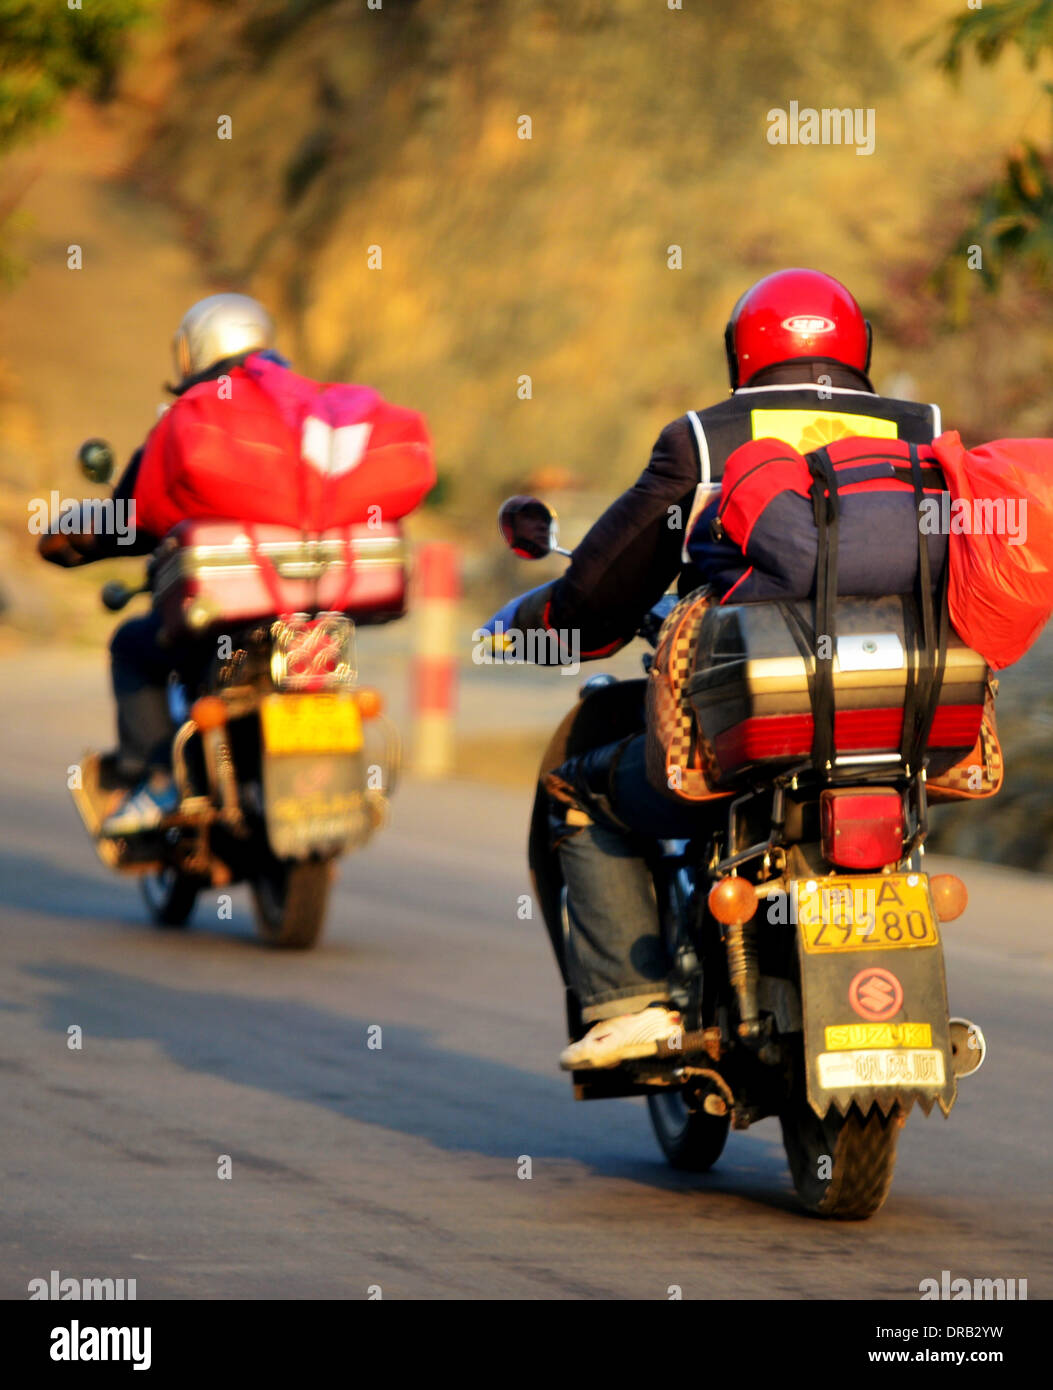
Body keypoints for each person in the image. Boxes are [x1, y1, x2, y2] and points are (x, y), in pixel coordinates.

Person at [486, 268, 945, 1072]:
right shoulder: (922, 429)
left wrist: (533, 624)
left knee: (582, 792)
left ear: (741, 351)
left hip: (749, 727)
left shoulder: (704, 439)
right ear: (858, 349)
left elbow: (607, 585)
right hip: (903, 729)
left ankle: (631, 1008)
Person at [38, 293, 291, 835]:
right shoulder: (305, 410)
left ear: (195, 351)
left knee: (132, 645)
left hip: (226, 614)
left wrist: (78, 539)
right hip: (309, 609)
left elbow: (131, 514)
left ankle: (155, 777)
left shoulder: (191, 419)